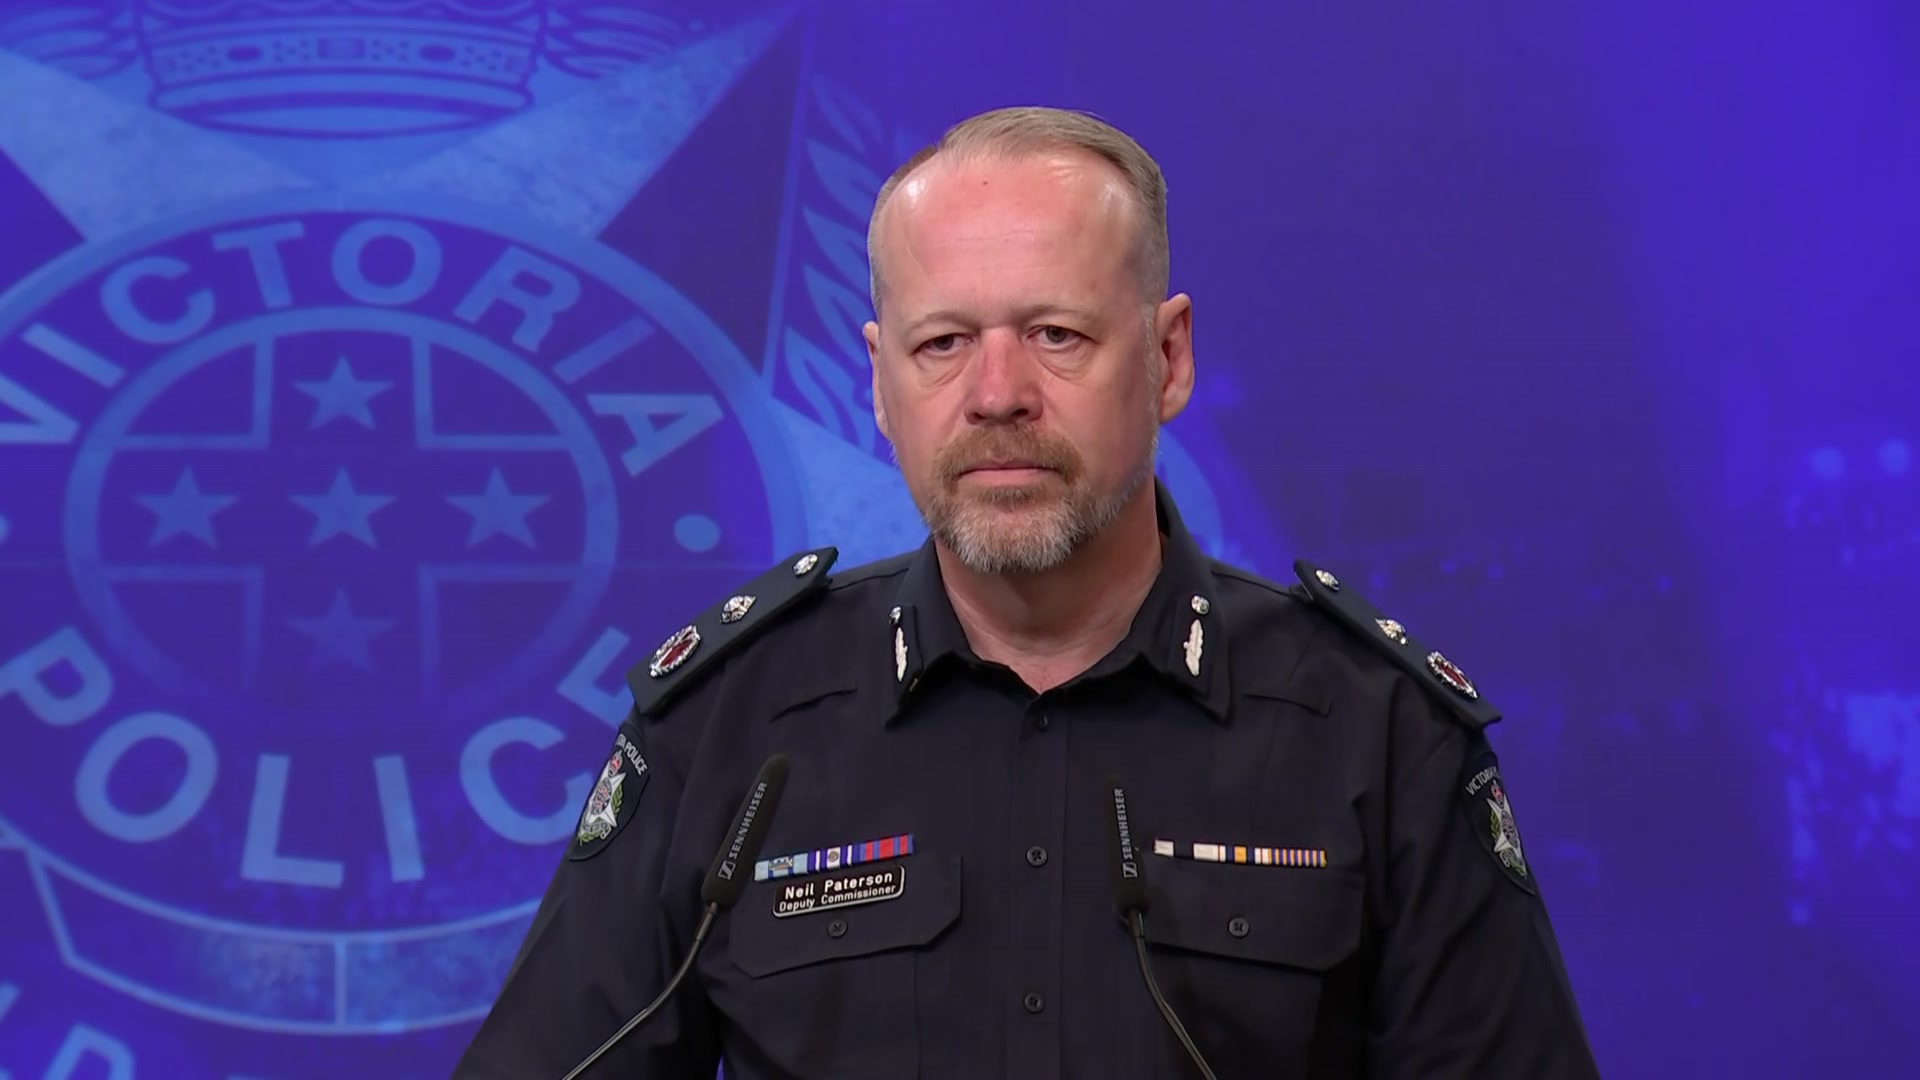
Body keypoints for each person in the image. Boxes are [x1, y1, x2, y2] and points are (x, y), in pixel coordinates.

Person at [453, 106, 1601, 1079]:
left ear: (1168, 359)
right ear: (880, 384)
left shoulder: (1376, 731)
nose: (997, 395)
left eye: (1057, 335)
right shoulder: (725, 730)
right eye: (943, 343)